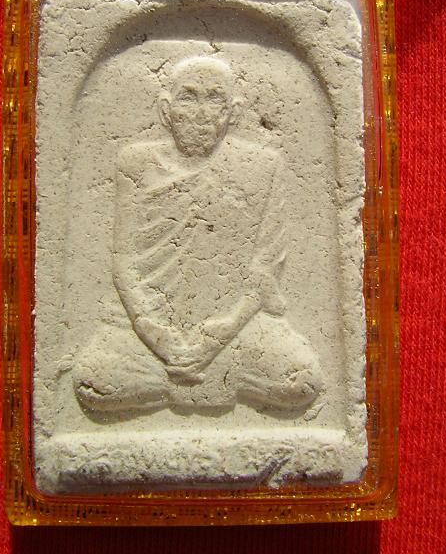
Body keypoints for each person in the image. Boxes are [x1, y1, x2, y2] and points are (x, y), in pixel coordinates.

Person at [73, 57, 323, 413]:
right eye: (188, 98)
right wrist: (152, 332)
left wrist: (219, 335)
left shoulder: (264, 167)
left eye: (215, 100)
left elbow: (265, 269)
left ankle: (184, 382)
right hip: (148, 328)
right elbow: (124, 263)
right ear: (166, 110)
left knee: (302, 380)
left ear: (233, 112)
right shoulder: (136, 163)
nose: (201, 114)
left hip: (235, 328)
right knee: (93, 380)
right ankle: (212, 382)